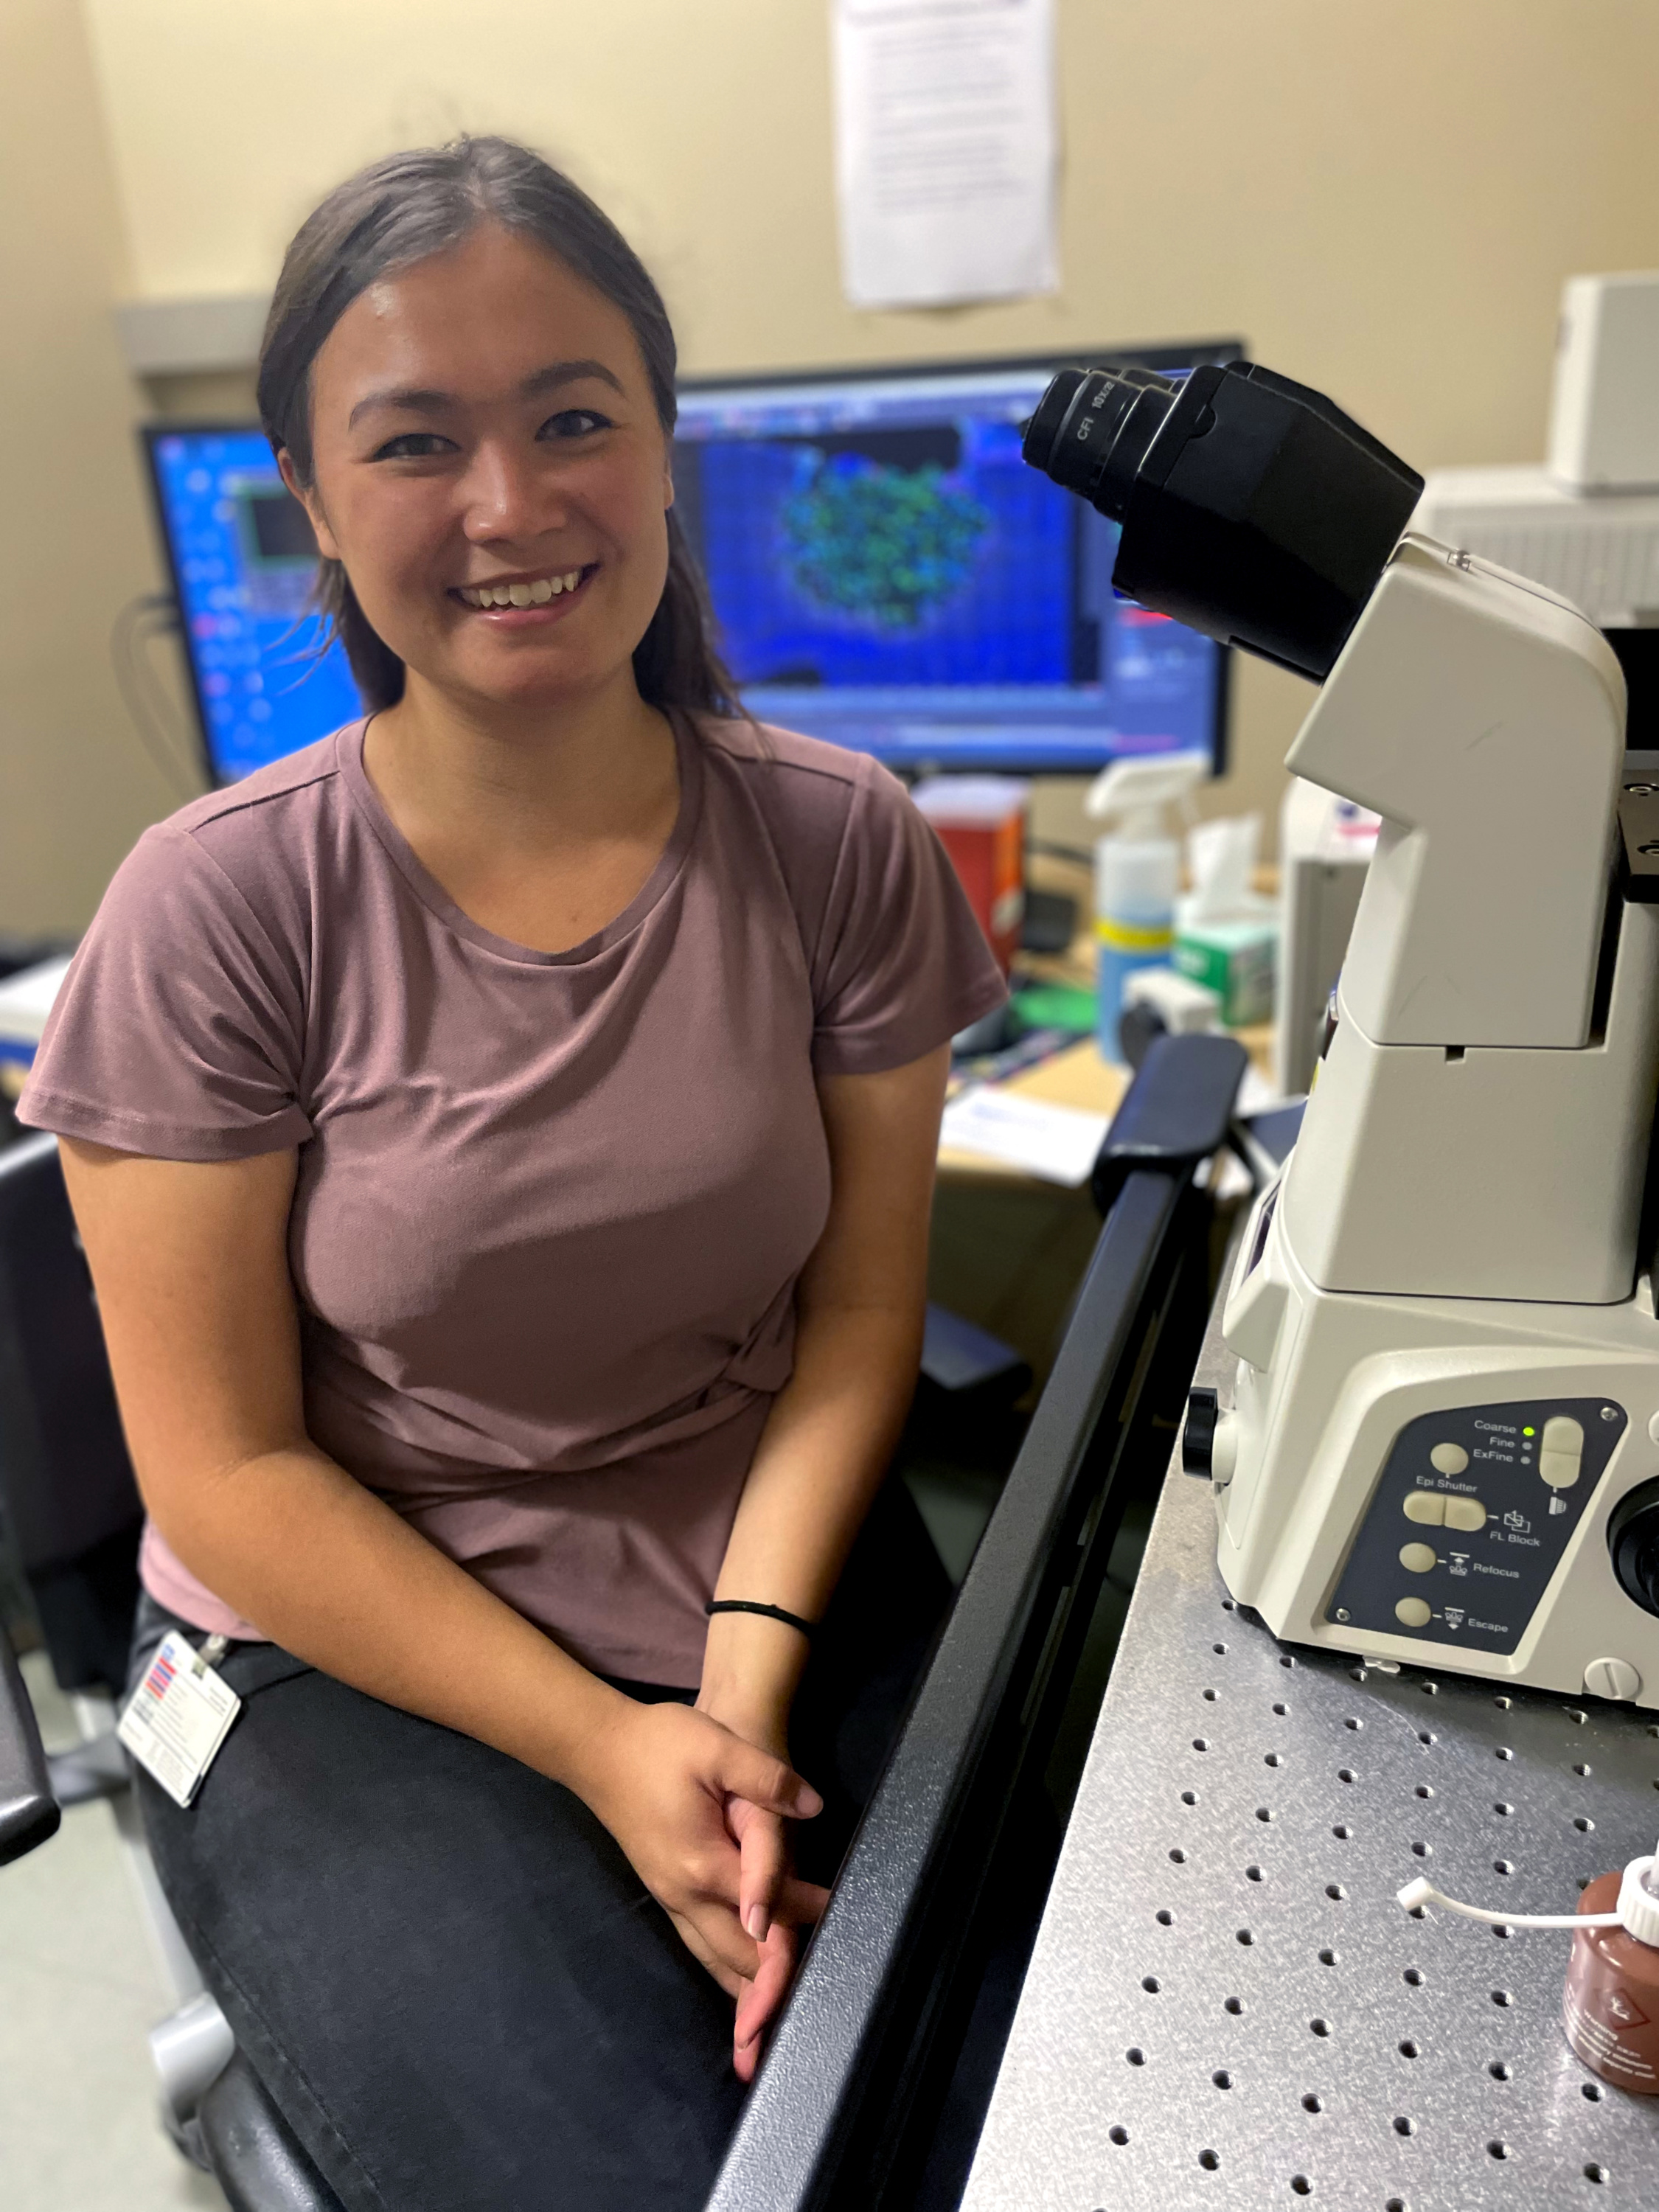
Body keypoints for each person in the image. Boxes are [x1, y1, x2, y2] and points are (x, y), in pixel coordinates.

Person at [20, 137, 1004, 2211]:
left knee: (1000, 2082)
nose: (508, 504)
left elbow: (852, 1312)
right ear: (313, 501)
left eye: (572, 418)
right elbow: (226, 1478)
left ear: (663, 448)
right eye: (414, 443)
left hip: (751, 1557)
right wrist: (604, 1748)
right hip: (340, 1635)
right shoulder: (217, 911)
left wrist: (734, 1683)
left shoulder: (837, 845)